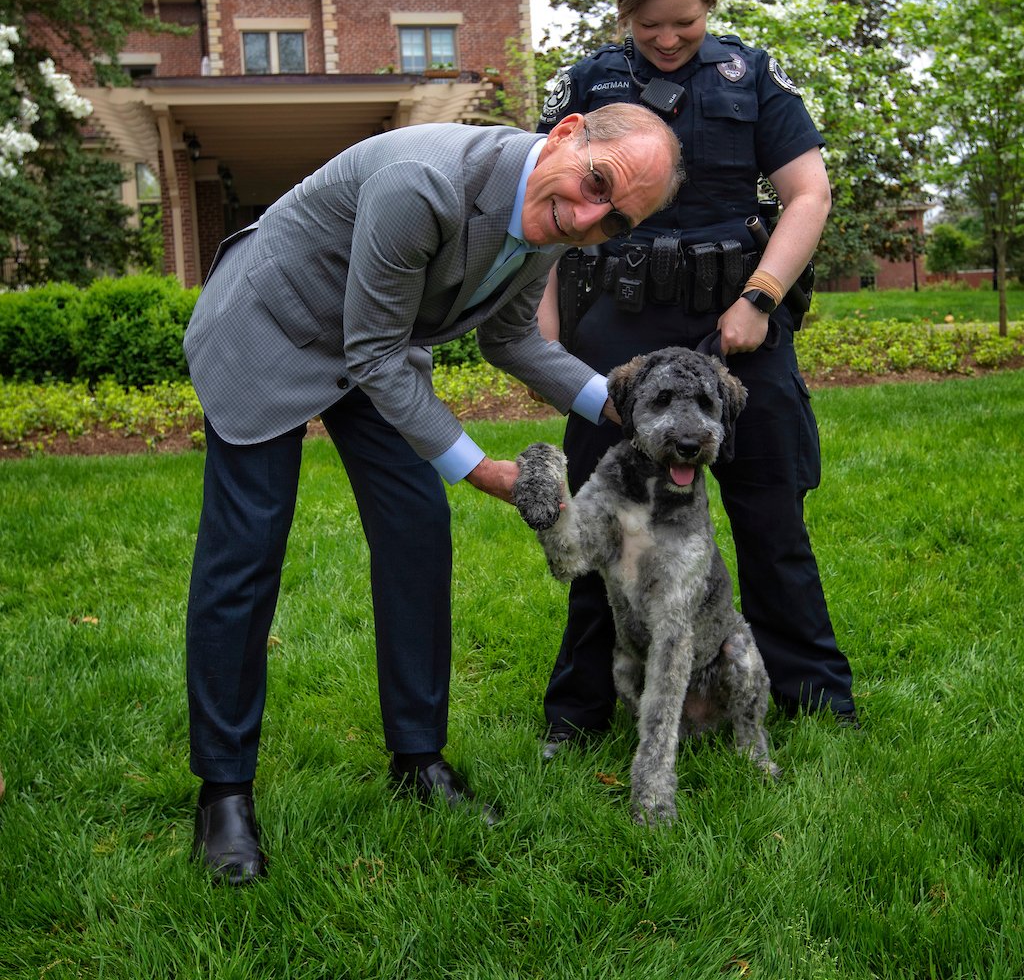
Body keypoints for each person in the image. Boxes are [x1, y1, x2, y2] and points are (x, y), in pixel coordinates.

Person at [184, 104, 680, 885]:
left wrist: (627, 402)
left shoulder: (553, 220)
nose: (590, 219)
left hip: (368, 345)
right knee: (245, 555)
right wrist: (487, 471)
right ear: (567, 133)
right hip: (271, 329)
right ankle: (224, 794)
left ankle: (418, 761)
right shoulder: (424, 182)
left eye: (614, 221)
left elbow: (511, 338)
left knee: (417, 532)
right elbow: (379, 353)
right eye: (595, 185)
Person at [535, 0, 857, 763]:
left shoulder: (751, 76)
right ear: (624, 14)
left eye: (685, 19)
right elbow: (546, 207)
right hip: (620, 330)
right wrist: (545, 342)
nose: (670, 38)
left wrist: (761, 298)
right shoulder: (586, 83)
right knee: (609, 527)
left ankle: (815, 698)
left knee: (771, 522)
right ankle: (578, 714)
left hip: (739, 330)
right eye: (651, 24)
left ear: (709, 0)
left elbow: (809, 192)